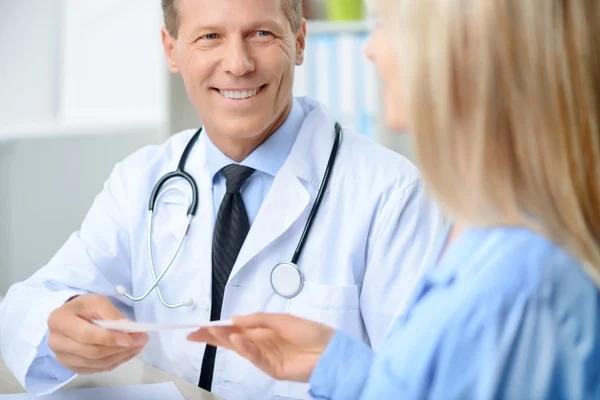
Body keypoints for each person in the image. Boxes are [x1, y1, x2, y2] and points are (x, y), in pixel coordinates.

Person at [0, 0, 444, 399]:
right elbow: (30, 301)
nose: (238, 63)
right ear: (171, 49)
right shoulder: (142, 180)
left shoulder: (392, 194)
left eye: (262, 33)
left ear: (300, 41)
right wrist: (58, 322)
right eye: (209, 36)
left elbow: (428, 384)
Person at [188, 0, 600, 398]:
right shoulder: (479, 233)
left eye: (388, 25)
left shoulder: (523, 282)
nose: (371, 48)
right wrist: (335, 363)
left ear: (466, 52)